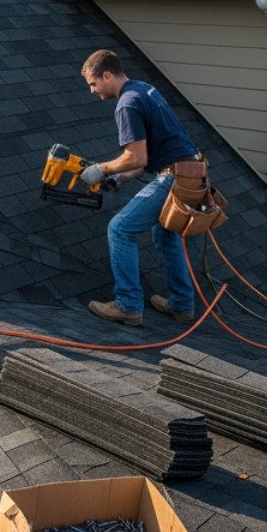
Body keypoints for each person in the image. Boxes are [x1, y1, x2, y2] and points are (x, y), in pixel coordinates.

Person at [78, 49, 204, 326]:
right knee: (165, 236)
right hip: (191, 172)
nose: (92, 90)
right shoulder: (144, 90)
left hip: (174, 176)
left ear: (107, 75)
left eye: (93, 83)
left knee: (119, 229)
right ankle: (182, 305)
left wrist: (101, 169)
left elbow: (136, 157)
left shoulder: (126, 104)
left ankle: (127, 305)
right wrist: (120, 178)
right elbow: (147, 157)